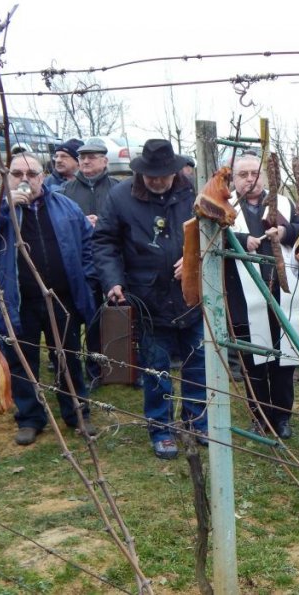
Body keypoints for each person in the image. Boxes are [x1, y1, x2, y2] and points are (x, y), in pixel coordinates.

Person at [92, 138, 207, 460]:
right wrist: (112, 280)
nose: (156, 181)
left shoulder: (193, 194)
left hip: (191, 297)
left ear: (174, 171)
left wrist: (194, 258)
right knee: (156, 368)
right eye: (150, 175)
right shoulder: (119, 197)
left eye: (163, 175)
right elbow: (104, 243)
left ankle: (198, 422)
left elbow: (213, 234)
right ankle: (161, 428)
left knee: (197, 363)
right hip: (147, 298)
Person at [0, 153, 97, 446]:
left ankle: (77, 413)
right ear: (6, 177)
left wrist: (88, 281)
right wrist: (4, 206)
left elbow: (87, 245)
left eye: (31, 173)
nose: (25, 179)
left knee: (67, 357)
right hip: (18, 301)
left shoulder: (65, 206)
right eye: (17, 174)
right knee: (21, 360)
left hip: (61, 299)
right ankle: (30, 418)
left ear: (43, 176)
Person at [225, 154, 299, 439]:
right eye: (242, 174)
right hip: (243, 298)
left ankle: (282, 417)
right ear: (233, 179)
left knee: (284, 359)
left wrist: (285, 231)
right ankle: (260, 415)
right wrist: (240, 240)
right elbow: (210, 237)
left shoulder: (283, 203)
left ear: (265, 176)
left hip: (283, 292)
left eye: (254, 173)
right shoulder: (226, 207)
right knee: (254, 360)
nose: (249, 179)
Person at [61, 139, 121, 388]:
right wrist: (81, 221)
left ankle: (120, 367)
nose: (86, 161)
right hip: (80, 265)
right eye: (83, 157)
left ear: (104, 161)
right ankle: (94, 369)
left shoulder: (118, 189)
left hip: (113, 263)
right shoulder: (66, 191)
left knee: (118, 315)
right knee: (90, 319)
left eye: (92, 157)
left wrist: (103, 223)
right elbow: (60, 226)